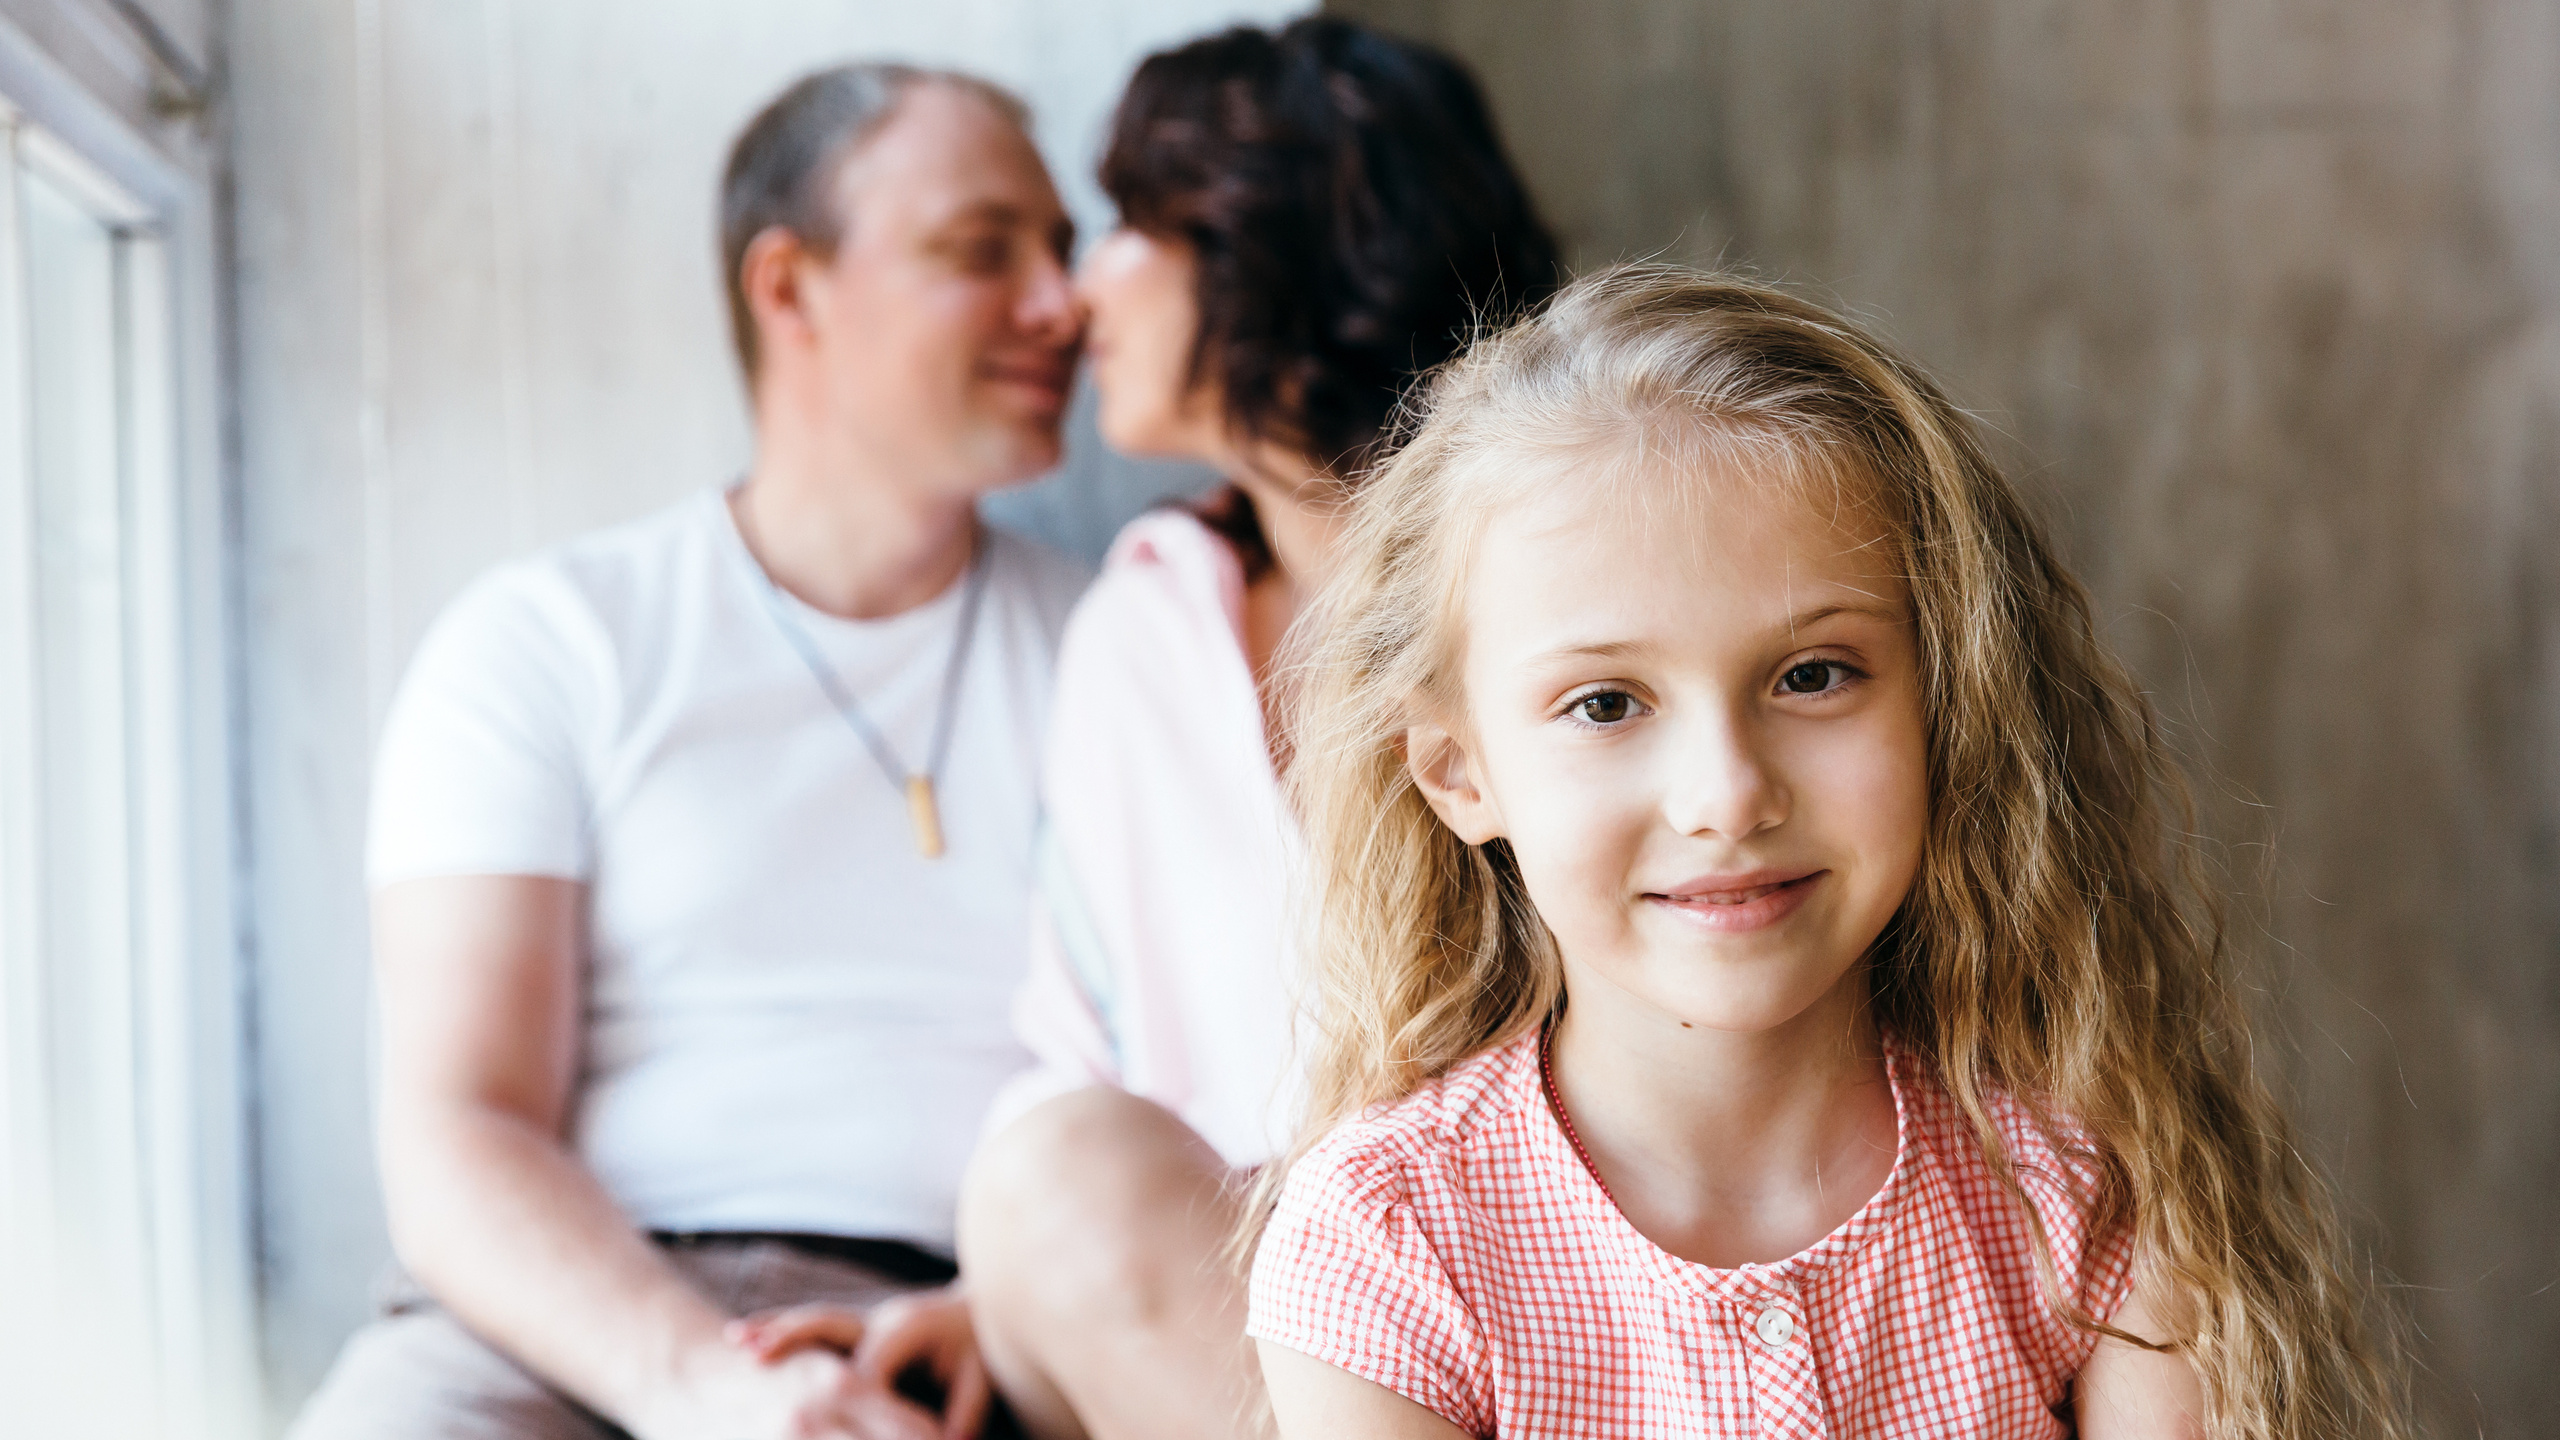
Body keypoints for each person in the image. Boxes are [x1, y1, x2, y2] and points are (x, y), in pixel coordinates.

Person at [1244, 265, 2413, 1438]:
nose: (1728, 795)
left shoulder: (2089, 1190)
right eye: (1605, 703)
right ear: (1458, 771)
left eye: (1812, 675)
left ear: (1945, 706)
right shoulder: (1387, 1245)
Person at [730, 18, 1556, 1440]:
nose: (1068, 299)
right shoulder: (1144, 624)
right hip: (1266, 1312)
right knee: (1045, 1174)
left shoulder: (1558, 583)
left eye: (1121, 227)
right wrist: (1026, 1297)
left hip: (1551, 1277)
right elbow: (1093, 1057)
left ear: (1263, 247)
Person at [289, 63, 1087, 1440]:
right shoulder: (550, 641)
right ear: (789, 289)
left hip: (977, 1336)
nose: (1061, 306)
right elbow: (457, 1127)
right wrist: (700, 1383)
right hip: (569, 1321)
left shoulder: (1123, 643)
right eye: (982, 251)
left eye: (1062, 251)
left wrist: (999, 1316)